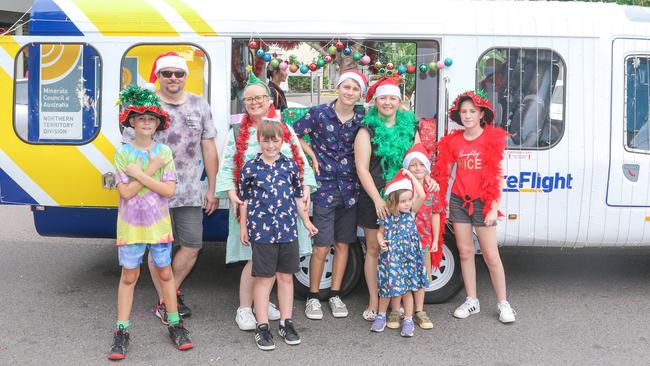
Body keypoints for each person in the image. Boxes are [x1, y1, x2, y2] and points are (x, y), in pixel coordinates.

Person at [215, 70, 316, 331]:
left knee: (277, 263)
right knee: (254, 260)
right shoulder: (236, 132)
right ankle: (244, 308)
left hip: (283, 211)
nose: (255, 102)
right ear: (244, 103)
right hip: (251, 209)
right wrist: (232, 196)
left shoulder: (284, 129)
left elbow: (299, 163)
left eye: (260, 97)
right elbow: (227, 168)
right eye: (249, 99)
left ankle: (265, 304)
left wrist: (305, 188)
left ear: (269, 100)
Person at [121, 52, 219, 321]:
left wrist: (211, 188)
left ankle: (168, 294)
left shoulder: (199, 104)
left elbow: (208, 146)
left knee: (192, 246)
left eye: (179, 73)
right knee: (157, 248)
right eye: (167, 73)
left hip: (188, 190)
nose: (173, 78)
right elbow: (129, 148)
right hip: (150, 192)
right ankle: (168, 303)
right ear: (158, 76)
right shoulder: (147, 106)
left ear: (185, 76)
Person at [109, 85, 192, 360]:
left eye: (151, 119)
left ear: (157, 123)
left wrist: (142, 172)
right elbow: (126, 193)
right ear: (132, 122)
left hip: (158, 226)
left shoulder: (163, 153)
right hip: (131, 226)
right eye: (141, 118)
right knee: (129, 276)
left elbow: (169, 192)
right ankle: (121, 330)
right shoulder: (122, 153)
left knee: (165, 273)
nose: (146, 122)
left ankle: (174, 322)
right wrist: (150, 172)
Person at [434, 90, 516, 324]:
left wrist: (493, 207)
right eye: (463, 112)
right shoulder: (454, 141)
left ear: (481, 114)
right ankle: (472, 300)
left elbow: (496, 177)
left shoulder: (490, 140)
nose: (467, 115)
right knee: (466, 252)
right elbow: (443, 173)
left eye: (472, 111)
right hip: (459, 201)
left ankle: (503, 303)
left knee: (491, 255)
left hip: (484, 202)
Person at [292, 69, 367, 320]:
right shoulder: (318, 113)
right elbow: (291, 133)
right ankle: (313, 297)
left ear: (360, 94)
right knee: (322, 246)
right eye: (346, 87)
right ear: (337, 88)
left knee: (344, 244)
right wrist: (310, 153)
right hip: (324, 188)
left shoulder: (363, 118)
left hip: (351, 190)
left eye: (355, 89)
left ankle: (335, 295)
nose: (350, 92)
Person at [238, 119, 319, 350]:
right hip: (262, 231)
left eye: (275, 140)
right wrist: (244, 226)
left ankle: (286, 321)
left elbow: (297, 198)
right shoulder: (250, 167)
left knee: (285, 277)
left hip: (287, 230)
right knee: (264, 278)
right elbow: (244, 200)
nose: (271, 145)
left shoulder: (291, 165)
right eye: (266, 140)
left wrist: (305, 221)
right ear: (259, 140)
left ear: (282, 141)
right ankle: (262, 326)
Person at [354, 76, 424, 328]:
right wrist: (376, 199)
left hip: (404, 198)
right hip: (376, 196)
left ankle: (400, 307)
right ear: (375, 101)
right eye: (382, 97)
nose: (387, 102)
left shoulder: (410, 125)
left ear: (399, 101)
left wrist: (422, 187)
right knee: (375, 249)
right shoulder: (366, 129)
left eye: (392, 97)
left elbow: (418, 160)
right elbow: (362, 168)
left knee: (401, 252)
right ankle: (374, 301)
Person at [371, 169, 427, 337]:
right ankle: (381, 316)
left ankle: (408, 320)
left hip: (409, 258)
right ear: (393, 201)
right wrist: (380, 241)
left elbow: (422, 195)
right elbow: (380, 232)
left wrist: (410, 176)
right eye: (403, 201)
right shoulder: (387, 216)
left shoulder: (411, 213)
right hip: (391, 259)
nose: (408, 203)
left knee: (407, 291)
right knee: (387, 289)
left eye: (409, 200)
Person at [403, 143, 443, 330]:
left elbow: (435, 215)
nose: (418, 168)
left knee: (422, 277)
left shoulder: (432, 189)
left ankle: (419, 310)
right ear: (407, 167)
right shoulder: (403, 188)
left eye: (422, 165)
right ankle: (404, 309)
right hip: (405, 242)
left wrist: (435, 240)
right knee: (404, 275)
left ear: (427, 167)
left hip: (425, 242)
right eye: (413, 165)